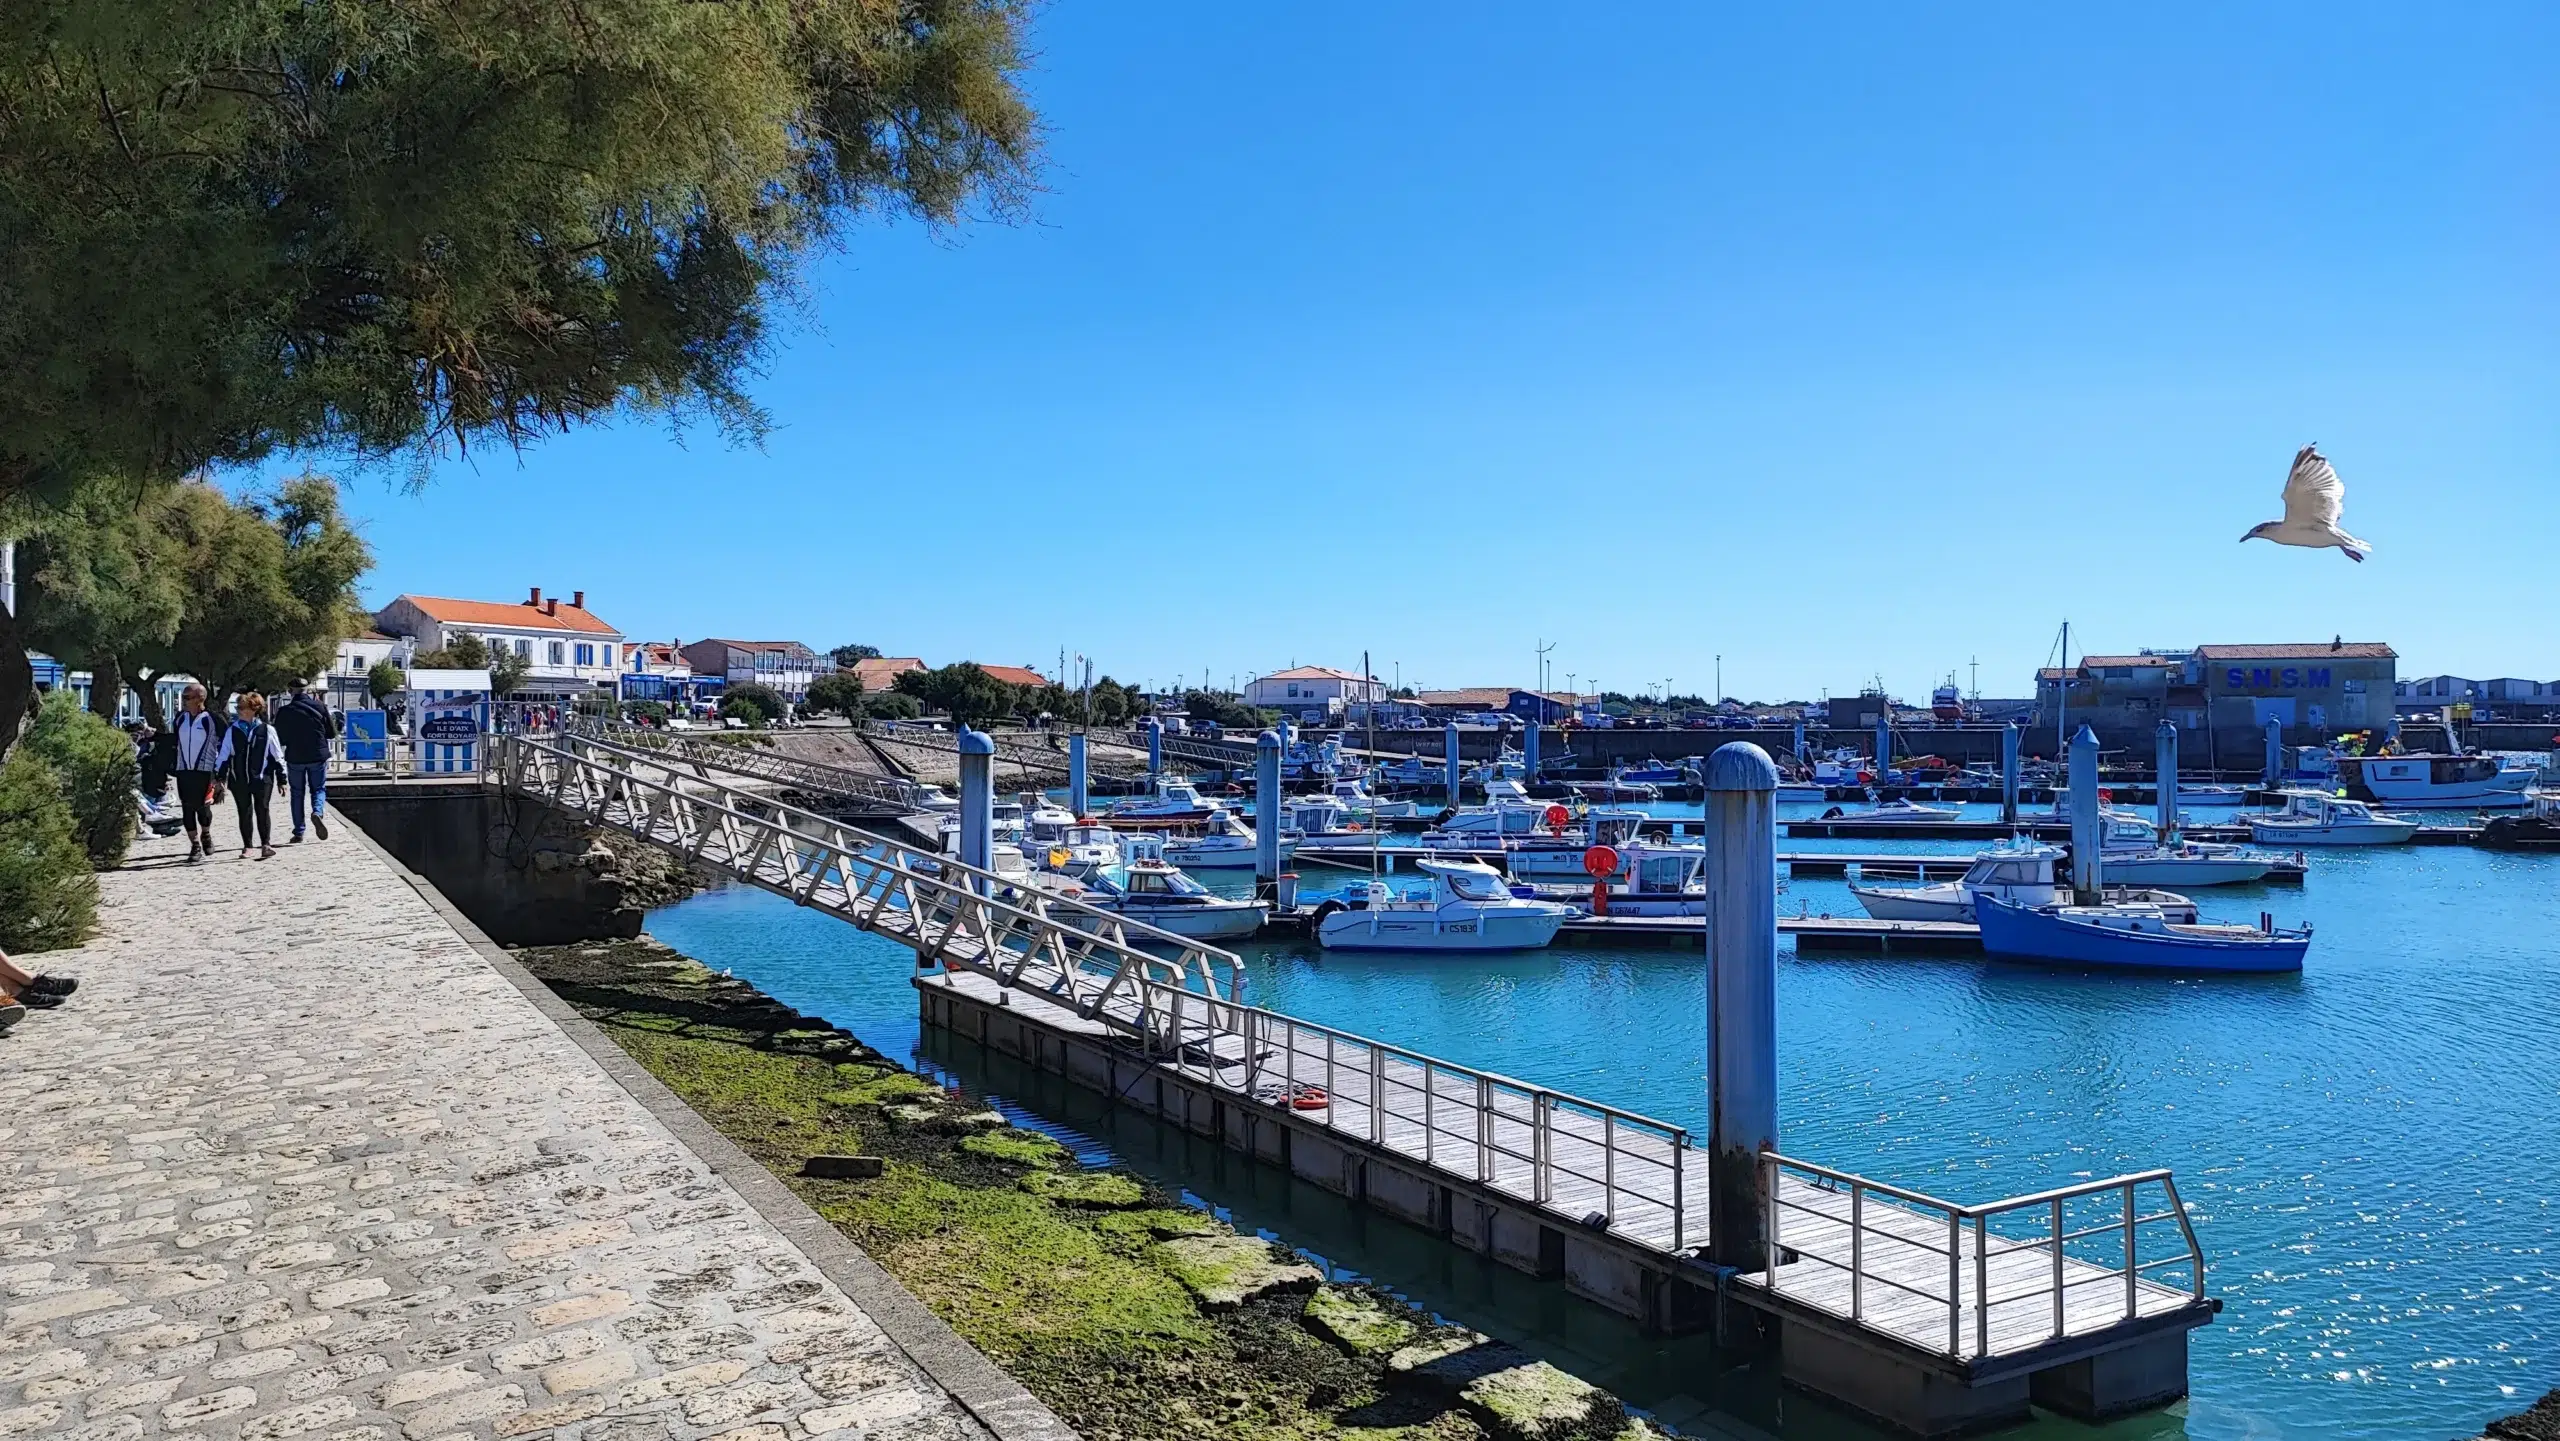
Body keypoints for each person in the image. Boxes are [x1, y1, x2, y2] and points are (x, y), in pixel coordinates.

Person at [215, 692, 288, 860]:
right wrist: (220, 778)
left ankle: (266, 844)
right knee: (244, 812)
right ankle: (247, 846)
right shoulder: (232, 730)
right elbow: (224, 756)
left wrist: (282, 779)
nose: (239, 710)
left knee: (262, 809)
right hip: (239, 779)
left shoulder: (267, 730)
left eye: (243, 707)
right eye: (238, 707)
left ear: (254, 709)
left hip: (262, 779)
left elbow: (277, 756)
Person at [274, 679, 338, 842]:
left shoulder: (284, 711)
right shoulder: (320, 707)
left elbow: (279, 739)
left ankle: (299, 831)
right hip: (317, 755)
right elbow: (332, 733)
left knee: (297, 793)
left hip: (295, 757)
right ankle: (317, 812)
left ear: (290, 691)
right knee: (318, 789)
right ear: (307, 690)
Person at [169, 684, 225, 862]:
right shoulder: (180, 719)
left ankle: (206, 834)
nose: (184, 701)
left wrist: (221, 774)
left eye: (187, 697)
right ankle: (194, 846)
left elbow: (227, 744)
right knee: (187, 808)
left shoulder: (212, 719)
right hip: (184, 770)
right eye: (184, 697)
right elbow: (175, 741)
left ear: (200, 699)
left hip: (205, 771)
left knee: (203, 808)